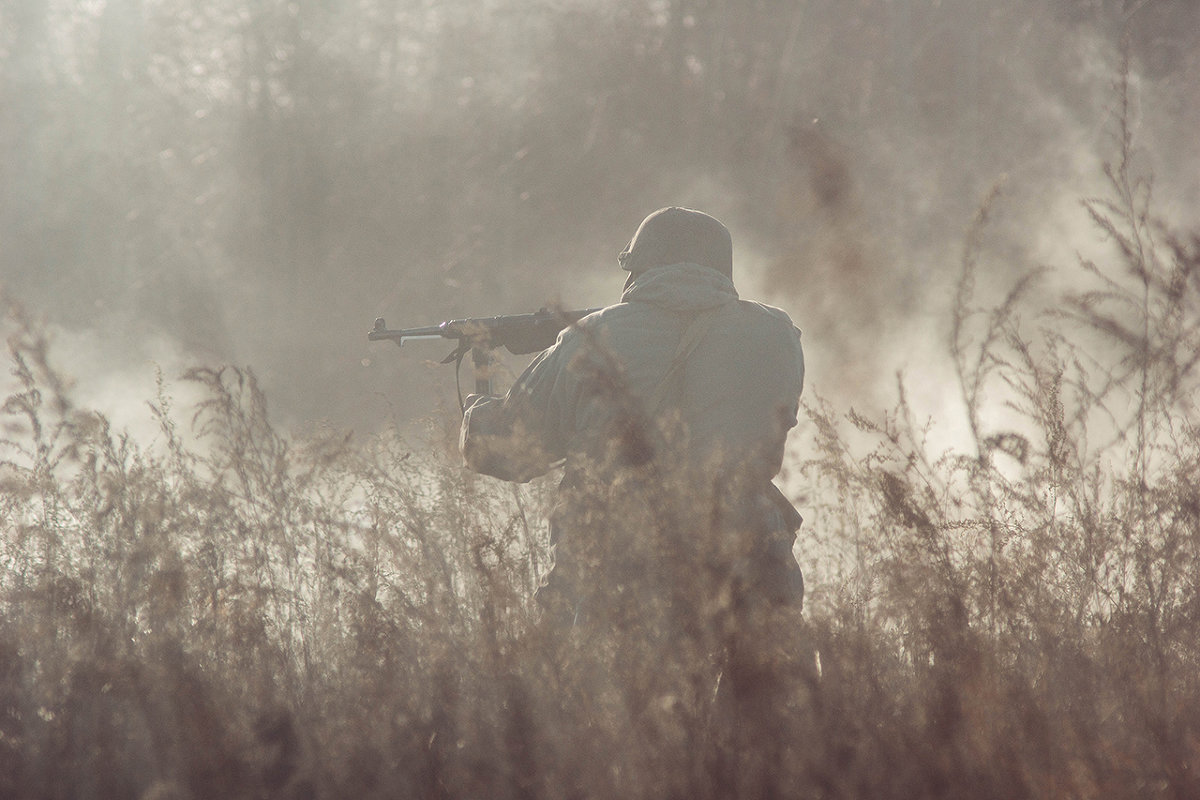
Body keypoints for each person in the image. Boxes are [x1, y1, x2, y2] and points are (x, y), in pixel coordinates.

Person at [460, 206, 806, 623]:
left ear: (640, 268)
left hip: (624, 565)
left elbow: (505, 450)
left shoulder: (592, 337)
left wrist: (479, 397)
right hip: (753, 555)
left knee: (600, 684)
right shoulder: (777, 334)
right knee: (768, 688)